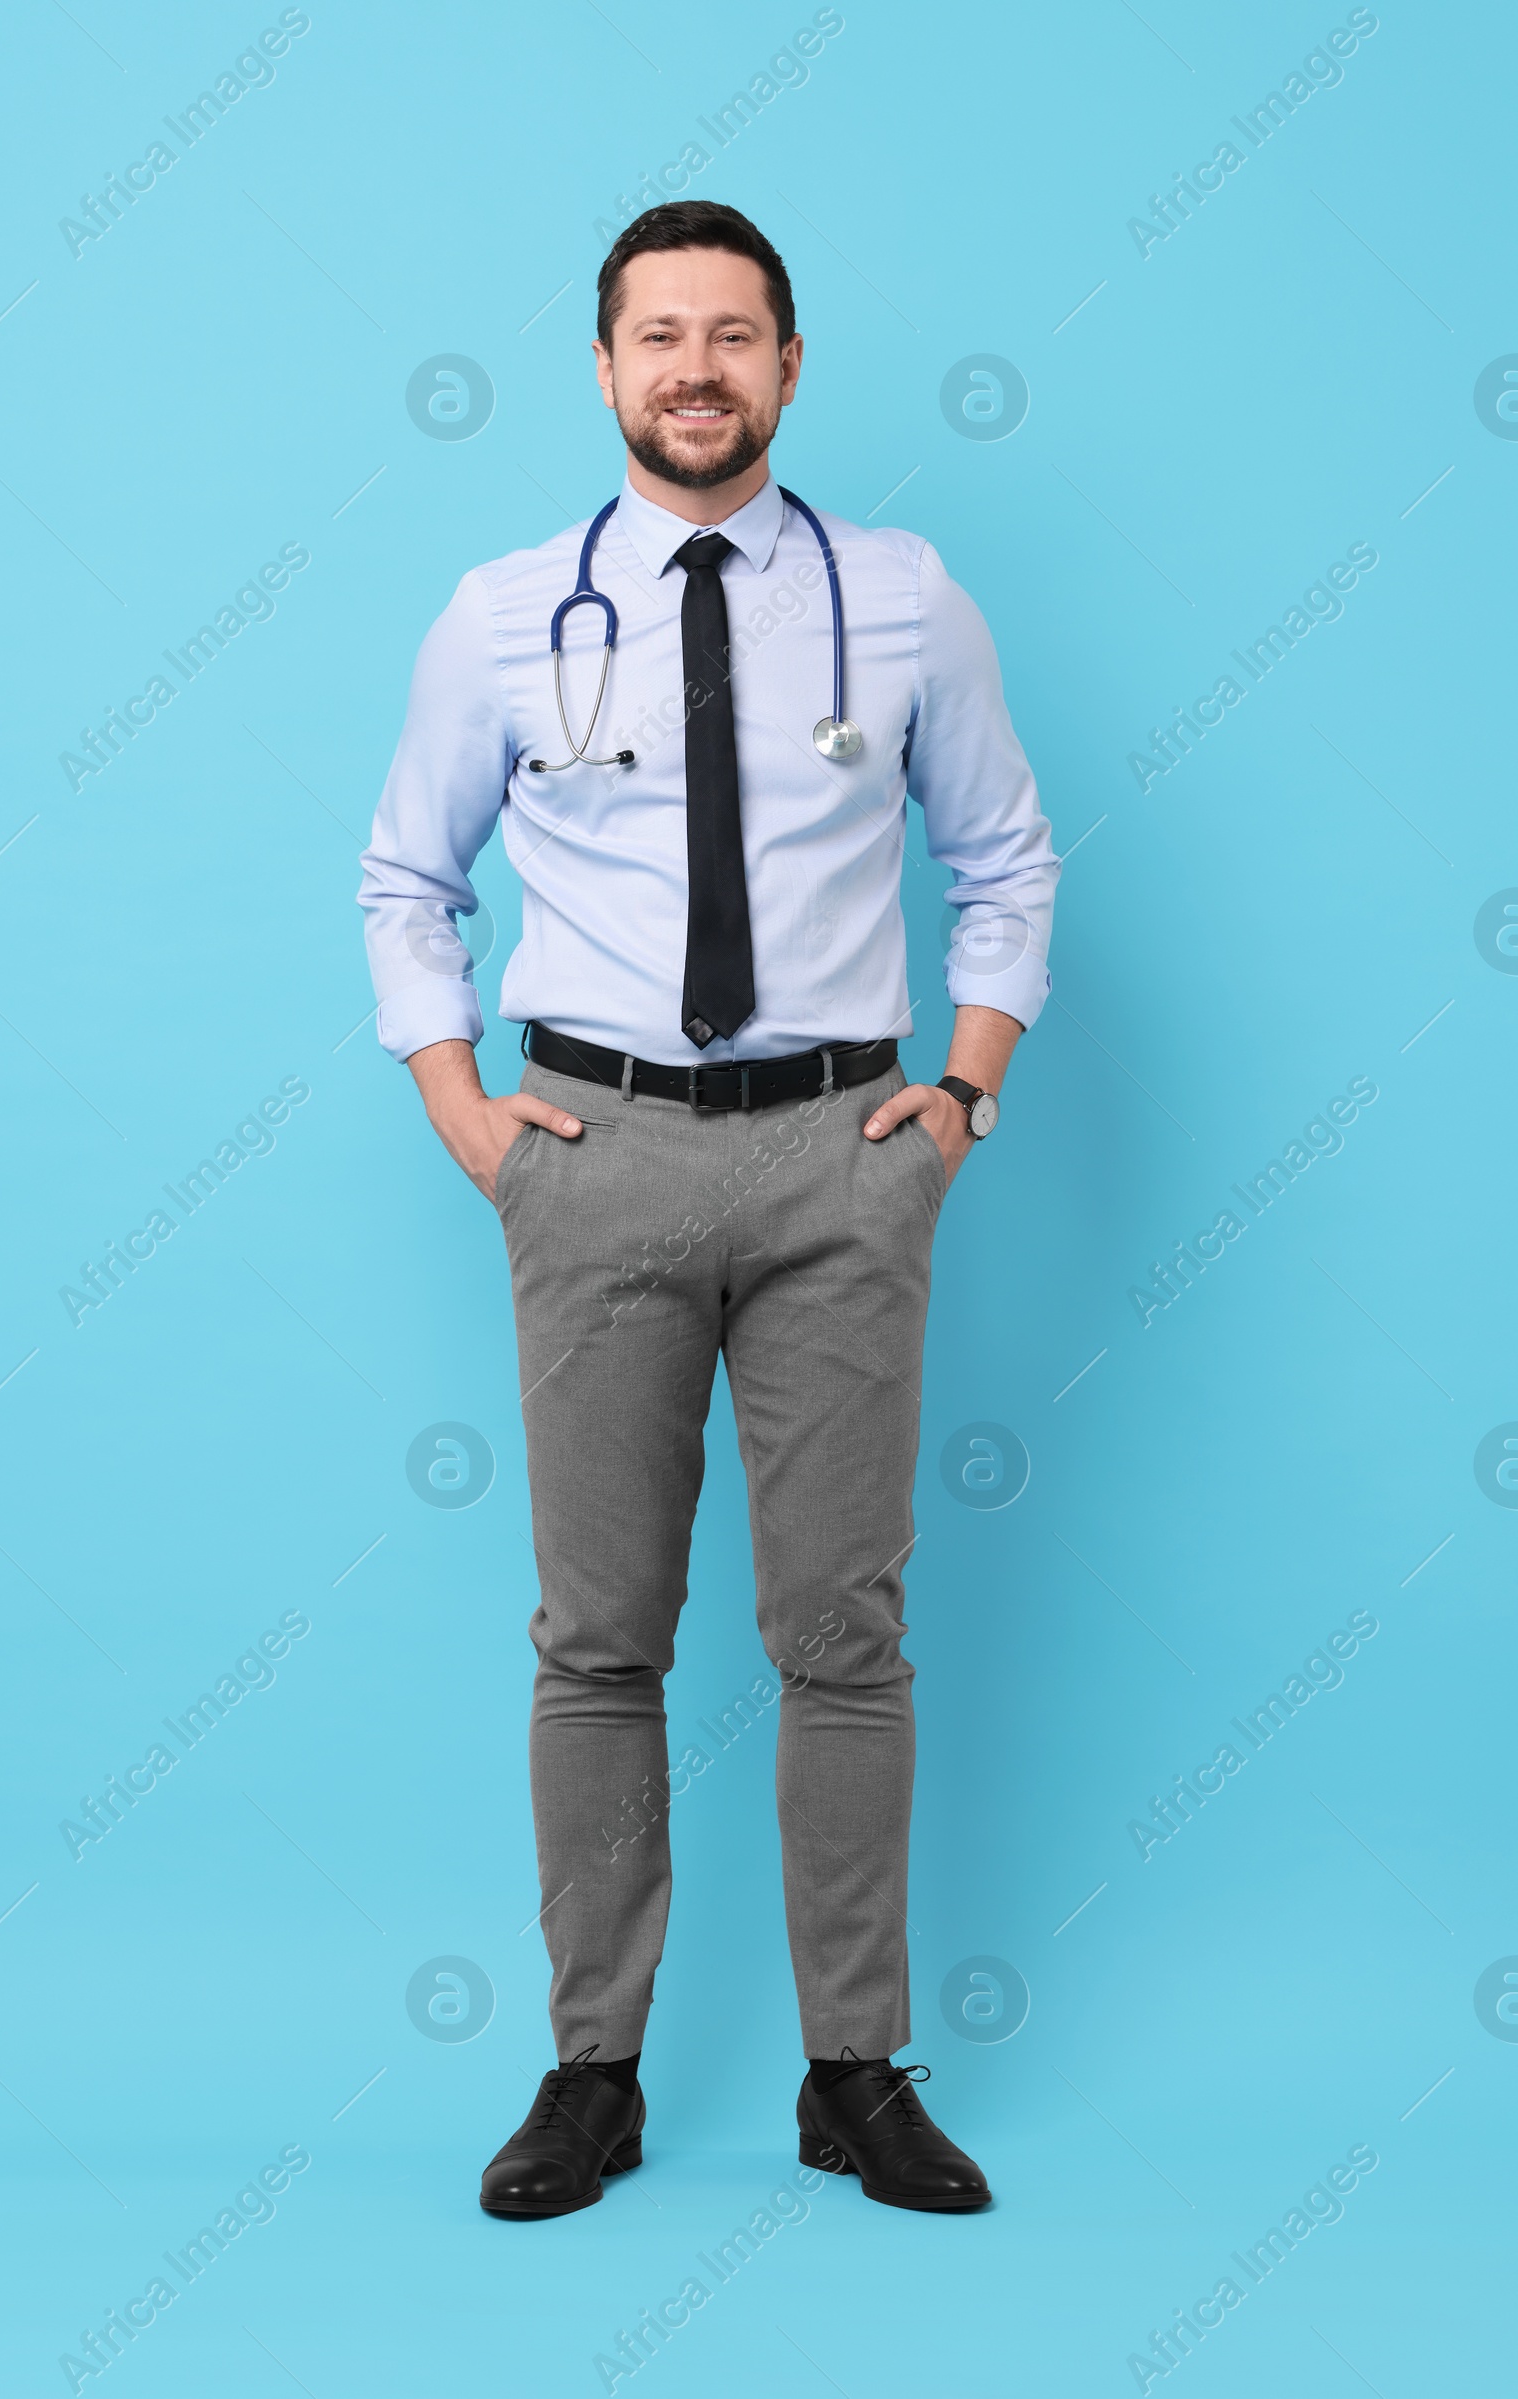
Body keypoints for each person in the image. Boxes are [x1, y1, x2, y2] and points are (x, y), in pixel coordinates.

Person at [358, 200, 1058, 2218]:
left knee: (843, 1634)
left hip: (848, 1157)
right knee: (598, 1640)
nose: (694, 366)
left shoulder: (903, 599)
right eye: (657, 334)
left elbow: (1001, 855)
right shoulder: (503, 611)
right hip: (593, 1155)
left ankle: (853, 2074)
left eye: (731, 334)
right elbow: (405, 876)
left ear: (787, 364)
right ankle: (594, 2074)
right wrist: (467, 1117)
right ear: (600, 369)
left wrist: (962, 1102)